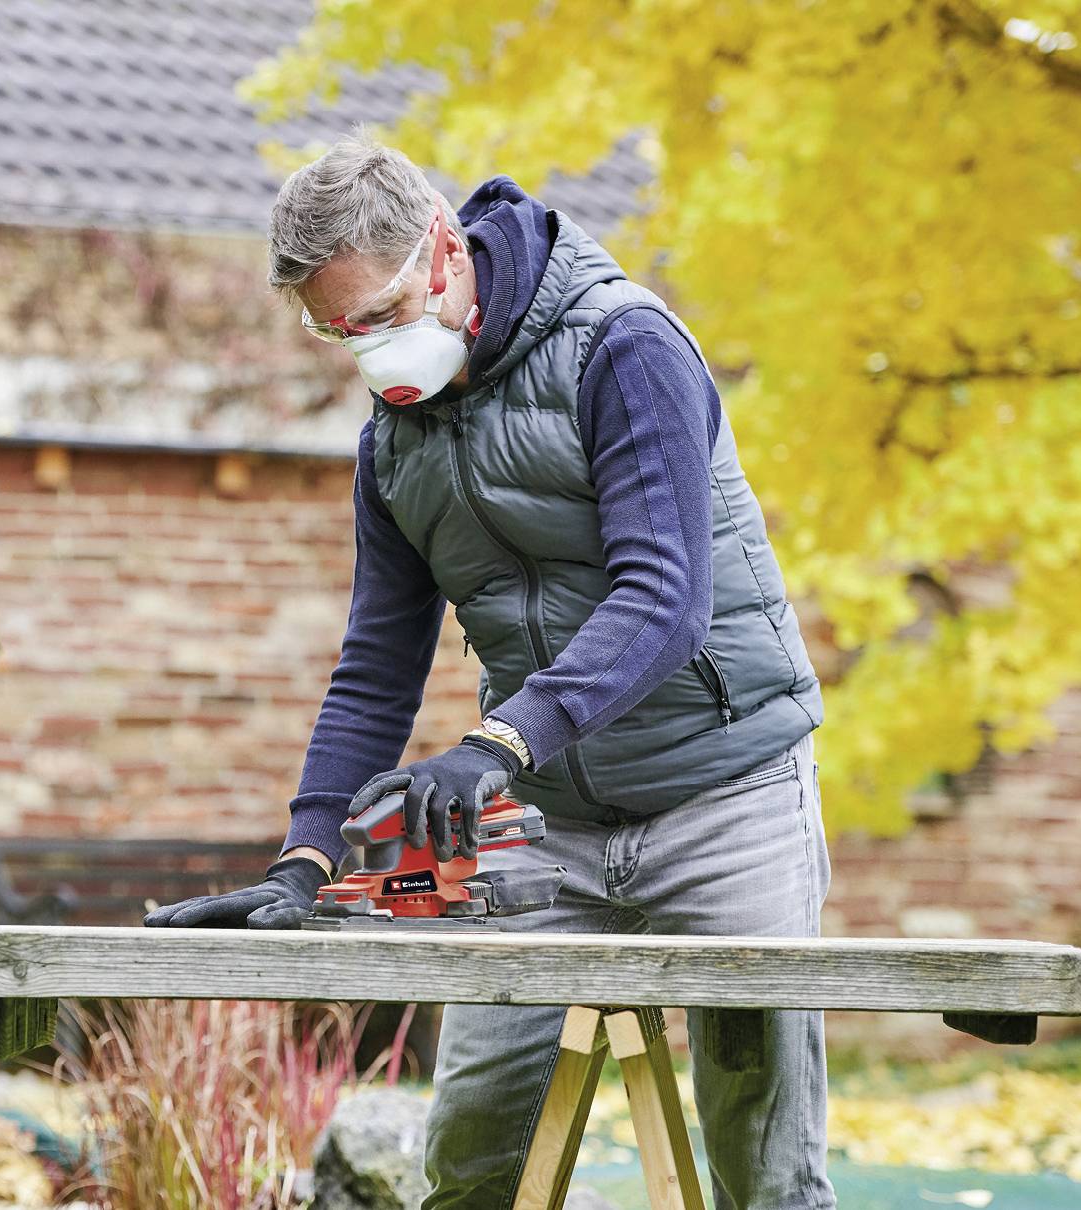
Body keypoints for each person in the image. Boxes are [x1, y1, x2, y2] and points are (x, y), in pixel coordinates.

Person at [144, 132, 834, 1210]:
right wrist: (304, 858)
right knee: (469, 1157)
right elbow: (376, 664)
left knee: (764, 1168)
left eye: (374, 315)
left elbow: (662, 600)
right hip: (542, 826)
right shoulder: (392, 442)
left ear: (440, 247)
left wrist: (492, 744)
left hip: (723, 797)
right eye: (336, 333)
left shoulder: (623, 345)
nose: (365, 350)